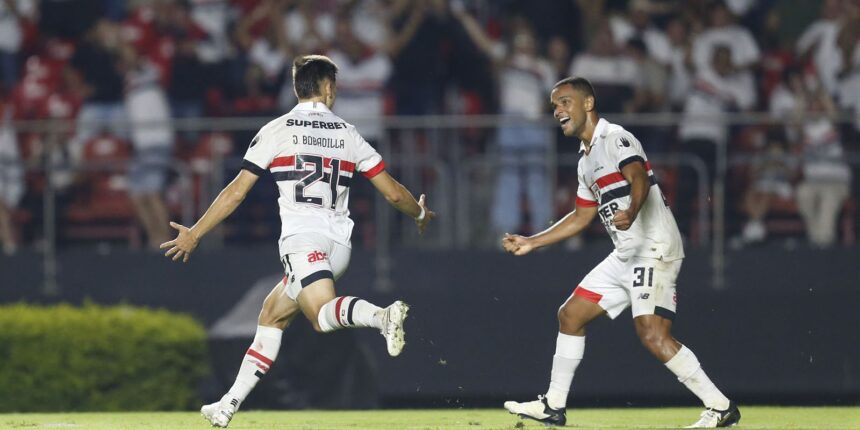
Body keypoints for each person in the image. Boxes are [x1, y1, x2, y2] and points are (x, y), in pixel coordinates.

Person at [160, 55, 435, 428]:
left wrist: (195, 233)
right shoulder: (349, 133)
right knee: (271, 317)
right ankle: (227, 404)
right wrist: (419, 215)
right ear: (328, 88)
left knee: (322, 319)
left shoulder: (278, 129)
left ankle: (381, 317)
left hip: (303, 242)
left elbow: (236, 192)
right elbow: (393, 194)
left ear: (297, 88)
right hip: (339, 244)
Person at [501, 77, 740, 428]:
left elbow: (638, 177)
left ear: (588, 103)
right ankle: (553, 405)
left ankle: (720, 407)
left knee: (652, 334)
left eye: (565, 102)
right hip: (626, 253)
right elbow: (582, 216)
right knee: (570, 315)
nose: (558, 111)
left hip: (653, 247)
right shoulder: (585, 161)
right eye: (554, 106)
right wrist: (533, 241)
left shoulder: (615, 138)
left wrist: (632, 208)